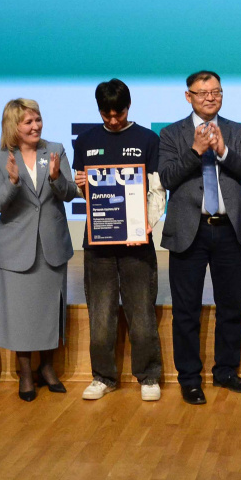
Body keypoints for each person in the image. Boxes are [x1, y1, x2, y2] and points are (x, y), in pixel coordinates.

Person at [159, 70, 241, 405]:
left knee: (230, 306)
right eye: (202, 93)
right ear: (188, 96)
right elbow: (167, 178)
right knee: (186, 310)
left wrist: (223, 151)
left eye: (216, 92)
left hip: (228, 229)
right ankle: (189, 378)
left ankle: (226, 371)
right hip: (189, 230)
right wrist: (195, 150)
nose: (210, 98)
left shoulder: (236, 130)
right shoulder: (172, 133)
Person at [72, 79, 166, 402]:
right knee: (100, 315)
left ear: (129, 106)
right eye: (106, 114)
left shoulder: (147, 139)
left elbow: (156, 189)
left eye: (119, 113)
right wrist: (80, 184)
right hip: (98, 244)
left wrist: (147, 225)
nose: (113, 120)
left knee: (141, 312)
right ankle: (103, 376)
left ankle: (149, 376)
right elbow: (84, 193)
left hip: (138, 243)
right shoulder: (86, 140)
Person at [0, 99, 78, 401]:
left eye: (37, 119)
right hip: (17, 247)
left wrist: (55, 178)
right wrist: (13, 182)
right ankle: (25, 373)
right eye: (28, 122)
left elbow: (70, 193)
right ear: (13, 126)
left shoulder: (55, 149)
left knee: (49, 310)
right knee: (20, 314)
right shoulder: (1, 158)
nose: (36, 126)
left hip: (51, 244)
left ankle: (47, 368)